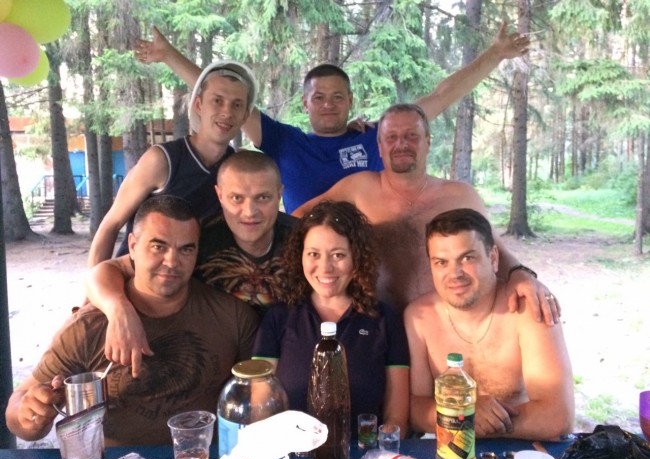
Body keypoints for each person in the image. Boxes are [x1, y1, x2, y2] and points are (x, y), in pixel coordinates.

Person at [134, 22, 530, 213]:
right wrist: (170, 57)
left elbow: (442, 96)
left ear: (350, 101)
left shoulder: (378, 137)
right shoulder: (284, 141)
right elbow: (225, 98)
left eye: (337, 97)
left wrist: (495, 54)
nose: (328, 104)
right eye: (319, 97)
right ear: (305, 103)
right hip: (309, 257)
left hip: (372, 255)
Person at [6, 195, 259, 445]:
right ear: (133, 246)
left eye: (186, 249)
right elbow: (17, 413)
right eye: (158, 246)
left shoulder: (233, 317)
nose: (172, 262)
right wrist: (32, 413)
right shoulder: (88, 327)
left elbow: (256, 398)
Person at [293, 103, 560, 324]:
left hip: (442, 325)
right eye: (391, 137)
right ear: (380, 145)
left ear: (428, 142)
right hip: (377, 324)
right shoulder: (359, 187)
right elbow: (301, 217)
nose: (401, 144)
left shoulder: (459, 195)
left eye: (411, 136)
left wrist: (521, 274)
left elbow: (494, 248)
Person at [85, 151, 296, 375]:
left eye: (263, 198)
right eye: (237, 198)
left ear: (279, 194)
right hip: (211, 359)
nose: (250, 211)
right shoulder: (195, 240)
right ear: (220, 195)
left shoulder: (303, 239)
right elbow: (105, 271)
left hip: (289, 360)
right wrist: (119, 310)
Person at [404, 208, 574, 440]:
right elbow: (414, 409)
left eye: (467, 258)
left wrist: (465, 421)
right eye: (441, 262)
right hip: (451, 452)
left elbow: (557, 417)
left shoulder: (528, 308)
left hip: (521, 450)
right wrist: (465, 417)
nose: (455, 274)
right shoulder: (418, 317)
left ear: (493, 258)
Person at [252, 201, 410, 438]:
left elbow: (397, 418)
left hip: (364, 455)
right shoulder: (278, 318)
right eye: (313, 254)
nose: (325, 267)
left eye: (338, 255)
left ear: (357, 258)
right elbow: (260, 409)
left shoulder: (385, 320)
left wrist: (381, 448)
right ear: (300, 256)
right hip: (292, 455)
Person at [86, 59, 258, 266]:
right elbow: (110, 225)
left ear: (245, 116)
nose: (227, 112)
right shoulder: (162, 160)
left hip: (191, 281)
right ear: (199, 105)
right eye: (217, 101)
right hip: (139, 278)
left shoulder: (236, 170)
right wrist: (95, 284)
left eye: (237, 105)